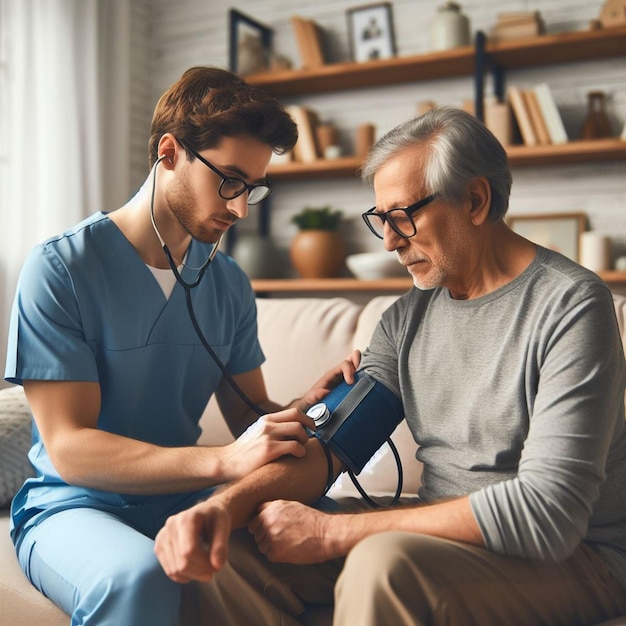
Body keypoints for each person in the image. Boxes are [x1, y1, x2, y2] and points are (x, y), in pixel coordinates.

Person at [154, 106, 626, 625]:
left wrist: (334, 532)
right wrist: (223, 507)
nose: (389, 241)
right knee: (234, 551)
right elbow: (329, 449)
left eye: (403, 216)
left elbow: (549, 514)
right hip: (437, 542)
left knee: (382, 562)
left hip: (573, 558)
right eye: (380, 219)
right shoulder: (406, 318)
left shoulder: (572, 306)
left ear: (475, 200)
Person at [4, 66, 360, 625]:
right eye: (229, 181)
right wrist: (224, 460)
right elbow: (70, 447)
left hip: (185, 499)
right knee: (138, 576)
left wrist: (297, 408)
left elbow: (247, 413)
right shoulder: (59, 270)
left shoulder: (230, 283)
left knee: (340, 539)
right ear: (169, 152)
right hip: (74, 505)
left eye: (253, 189)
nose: (241, 209)